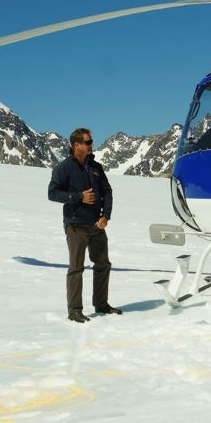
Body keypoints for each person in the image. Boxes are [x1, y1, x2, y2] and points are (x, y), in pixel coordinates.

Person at [47, 127, 120, 323]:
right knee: (76, 268)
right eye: (87, 142)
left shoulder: (96, 167)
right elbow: (52, 193)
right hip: (75, 225)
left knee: (103, 264)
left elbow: (108, 192)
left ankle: (101, 304)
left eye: (91, 142)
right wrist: (78, 197)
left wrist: (106, 216)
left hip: (97, 225)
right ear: (76, 145)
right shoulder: (63, 168)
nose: (91, 145)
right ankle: (74, 310)